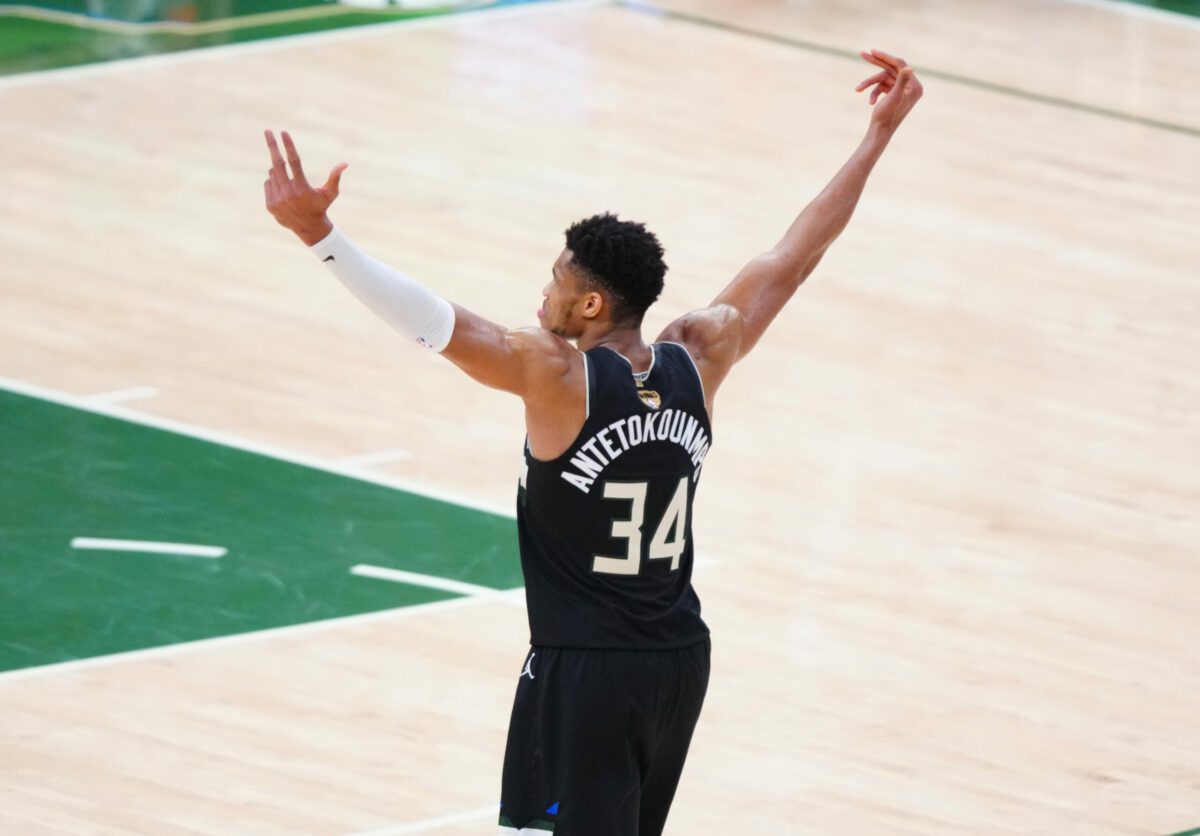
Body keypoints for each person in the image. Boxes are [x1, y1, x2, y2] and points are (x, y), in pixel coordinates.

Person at [264, 48, 922, 836]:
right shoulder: (700, 355)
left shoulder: (557, 377)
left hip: (586, 670)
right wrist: (877, 136)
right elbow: (793, 258)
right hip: (679, 659)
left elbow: (435, 324)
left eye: (556, 282)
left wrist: (321, 236)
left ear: (590, 305)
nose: (542, 292)